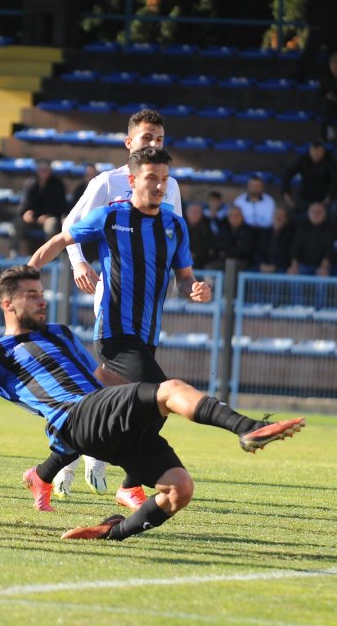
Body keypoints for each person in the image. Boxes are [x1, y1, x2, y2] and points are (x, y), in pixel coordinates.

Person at [0, 264, 305, 540]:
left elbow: (100, 378)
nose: (41, 301)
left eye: (42, 294)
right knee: (170, 391)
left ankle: (113, 531)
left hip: (101, 420)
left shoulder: (61, 333)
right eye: (31, 296)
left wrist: (146, 388)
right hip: (74, 419)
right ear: (8, 304)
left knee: (180, 490)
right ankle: (247, 429)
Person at [29, 146, 212, 512]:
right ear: (132, 181)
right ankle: (130, 483)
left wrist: (198, 288)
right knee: (161, 400)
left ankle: (44, 472)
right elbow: (63, 239)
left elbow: (186, 275)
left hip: (147, 338)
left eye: (164, 179)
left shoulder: (174, 226)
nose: (159, 186)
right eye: (151, 178)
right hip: (115, 335)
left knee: (106, 416)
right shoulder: (111, 217)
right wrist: (27, 274)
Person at [55, 108, 184, 496]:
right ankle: (111, 467)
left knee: (121, 392)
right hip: (112, 301)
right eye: (146, 139)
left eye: (159, 139)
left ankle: (72, 453)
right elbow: (69, 227)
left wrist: (182, 278)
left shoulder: (170, 185)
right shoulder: (107, 183)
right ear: (129, 142)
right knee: (149, 391)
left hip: (149, 305)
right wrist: (79, 263)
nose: (153, 145)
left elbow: (172, 234)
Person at [14, 159, 68, 256]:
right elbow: (24, 204)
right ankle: (13, 254)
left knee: (51, 225)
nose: (43, 171)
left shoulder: (58, 184)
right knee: (16, 224)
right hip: (33, 219)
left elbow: (62, 207)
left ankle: (51, 255)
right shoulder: (30, 183)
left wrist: (49, 216)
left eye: (45, 169)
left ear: (50, 170)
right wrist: (25, 213)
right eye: (40, 169)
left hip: (50, 218)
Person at [281, 139, 337, 216]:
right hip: (305, 198)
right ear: (310, 151)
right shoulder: (303, 160)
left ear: (323, 151)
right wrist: (286, 193)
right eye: (313, 150)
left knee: (334, 209)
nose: (316, 153)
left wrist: (329, 197)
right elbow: (287, 173)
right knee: (287, 209)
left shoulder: (330, 162)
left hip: (324, 199)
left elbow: (335, 181)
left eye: (319, 151)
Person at [292, 201, 336, 276]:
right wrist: (294, 266)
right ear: (308, 214)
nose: (316, 214)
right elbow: (295, 247)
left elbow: (328, 251)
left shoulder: (330, 229)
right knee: (292, 273)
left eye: (319, 212)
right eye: (313, 211)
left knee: (323, 275)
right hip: (303, 265)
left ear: (325, 214)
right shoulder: (302, 227)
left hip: (322, 265)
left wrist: (323, 268)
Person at [258, 207, 297, 273]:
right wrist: (262, 264)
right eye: (276, 214)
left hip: (281, 267)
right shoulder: (264, 233)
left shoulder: (291, 235)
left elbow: (289, 254)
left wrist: (275, 266)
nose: (278, 217)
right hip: (263, 266)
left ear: (286, 219)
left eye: (281, 215)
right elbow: (258, 251)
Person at [184, 203, 217, 269]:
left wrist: (194, 254)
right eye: (192, 211)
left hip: (201, 260)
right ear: (187, 213)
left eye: (197, 212)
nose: (194, 214)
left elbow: (208, 247)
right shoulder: (179, 226)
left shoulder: (207, 228)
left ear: (202, 214)